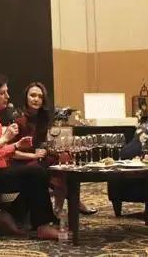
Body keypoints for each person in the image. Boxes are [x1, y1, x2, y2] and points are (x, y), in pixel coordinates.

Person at [0, 74, 59, 239]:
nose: (7, 96)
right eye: (2, 93)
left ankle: (10, 215)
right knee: (36, 173)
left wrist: (15, 145)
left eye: (7, 92)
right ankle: (41, 225)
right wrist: (5, 139)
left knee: (37, 175)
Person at [11, 82, 97, 216]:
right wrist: (34, 155)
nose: (36, 99)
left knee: (66, 157)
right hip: (22, 161)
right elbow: (11, 152)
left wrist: (54, 150)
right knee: (57, 169)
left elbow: (42, 145)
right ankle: (71, 203)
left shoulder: (43, 119)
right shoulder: (18, 120)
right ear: (26, 98)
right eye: (33, 95)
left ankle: (58, 208)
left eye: (40, 96)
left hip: (39, 158)